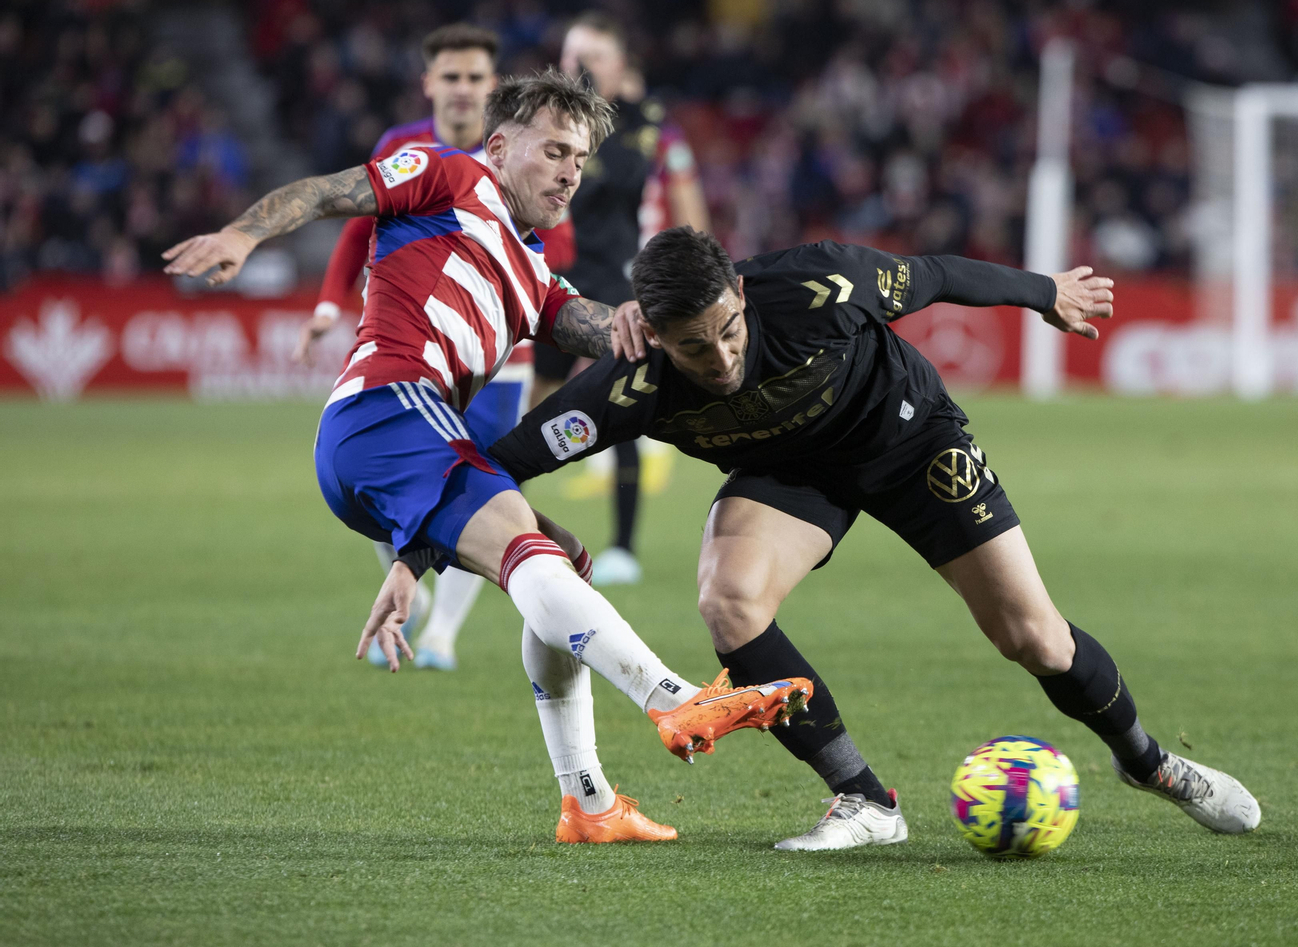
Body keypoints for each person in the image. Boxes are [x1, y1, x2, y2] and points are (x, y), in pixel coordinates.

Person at [163, 74, 813, 844]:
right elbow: (327, 193)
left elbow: (605, 331)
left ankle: (590, 803)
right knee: (528, 553)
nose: (572, 171)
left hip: (412, 441)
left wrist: (678, 325)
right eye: (556, 151)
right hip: (385, 406)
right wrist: (244, 233)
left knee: (562, 564)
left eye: (581, 158)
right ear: (501, 146)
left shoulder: (533, 272)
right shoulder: (448, 173)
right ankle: (673, 698)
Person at [470, 227, 1262, 851]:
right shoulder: (628, 385)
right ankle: (865, 801)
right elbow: (497, 469)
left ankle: (1149, 761)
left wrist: (1044, 292)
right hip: (791, 476)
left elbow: (936, 275)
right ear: (651, 336)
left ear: (742, 294)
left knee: (1033, 637)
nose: (720, 359)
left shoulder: (822, 284)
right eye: (693, 347)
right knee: (729, 600)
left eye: (728, 331)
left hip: (909, 441)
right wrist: (478, 538)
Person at [292, 23, 521, 672]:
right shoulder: (401, 147)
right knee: (391, 479)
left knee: (481, 486)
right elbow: (358, 223)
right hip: (411, 353)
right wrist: (329, 304)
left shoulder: (514, 155)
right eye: (451, 76)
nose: (463, 89)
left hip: (497, 360)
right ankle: (407, 583)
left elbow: (546, 247)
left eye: (476, 77)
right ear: (428, 83)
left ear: (493, 85)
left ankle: (443, 634)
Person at [532, 12, 711, 587]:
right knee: (535, 411)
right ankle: (502, 527)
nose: (578, 69)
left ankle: (624, 548)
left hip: (613, 283)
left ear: (619, 66)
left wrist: (697, 269)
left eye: (592, 58)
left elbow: (686, 202)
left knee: (627, 399)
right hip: (547, 282)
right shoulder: (535, 121)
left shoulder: (650, 126)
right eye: (569, 58)